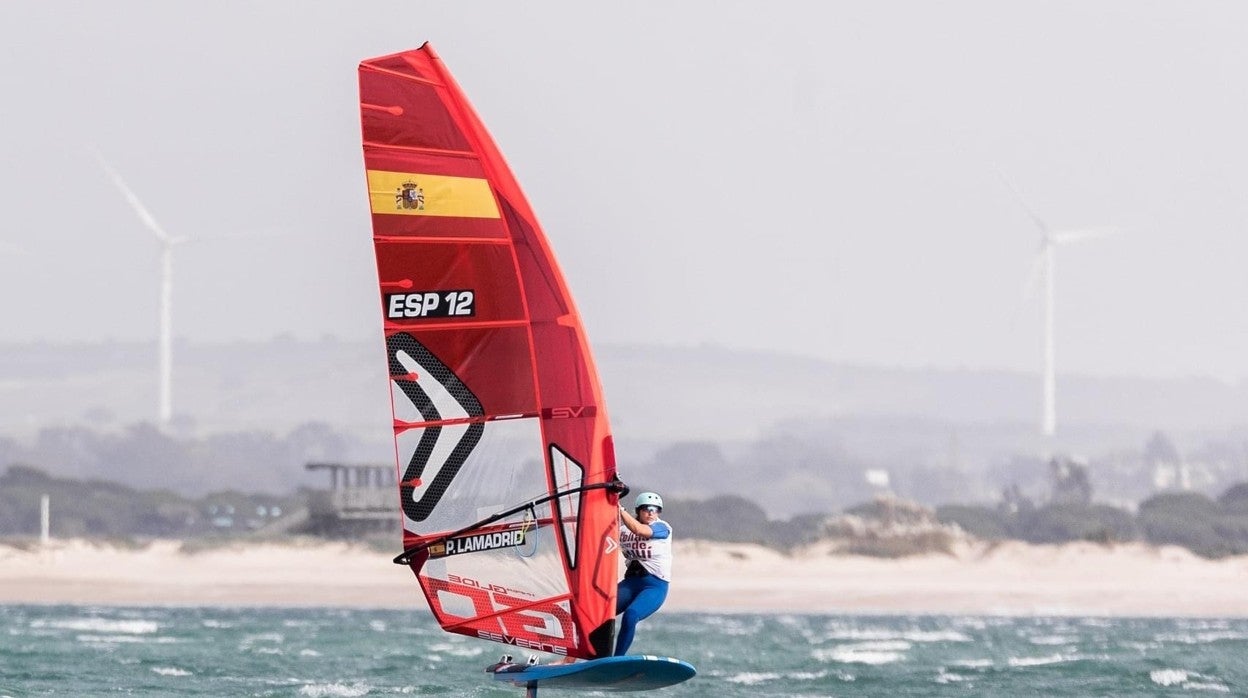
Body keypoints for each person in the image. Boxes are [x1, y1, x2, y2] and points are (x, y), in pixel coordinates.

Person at [615, 491, 672, 656]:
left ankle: (617, 660)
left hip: (654, 586)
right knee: (599, 613)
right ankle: (580, 658)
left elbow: (639, 530)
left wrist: (619, 510)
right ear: (639, 510)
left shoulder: (662, 528)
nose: (651, 512)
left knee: (631, 615)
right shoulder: (622, 530)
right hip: (631, 583)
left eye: (656, 509)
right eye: (647, 508)